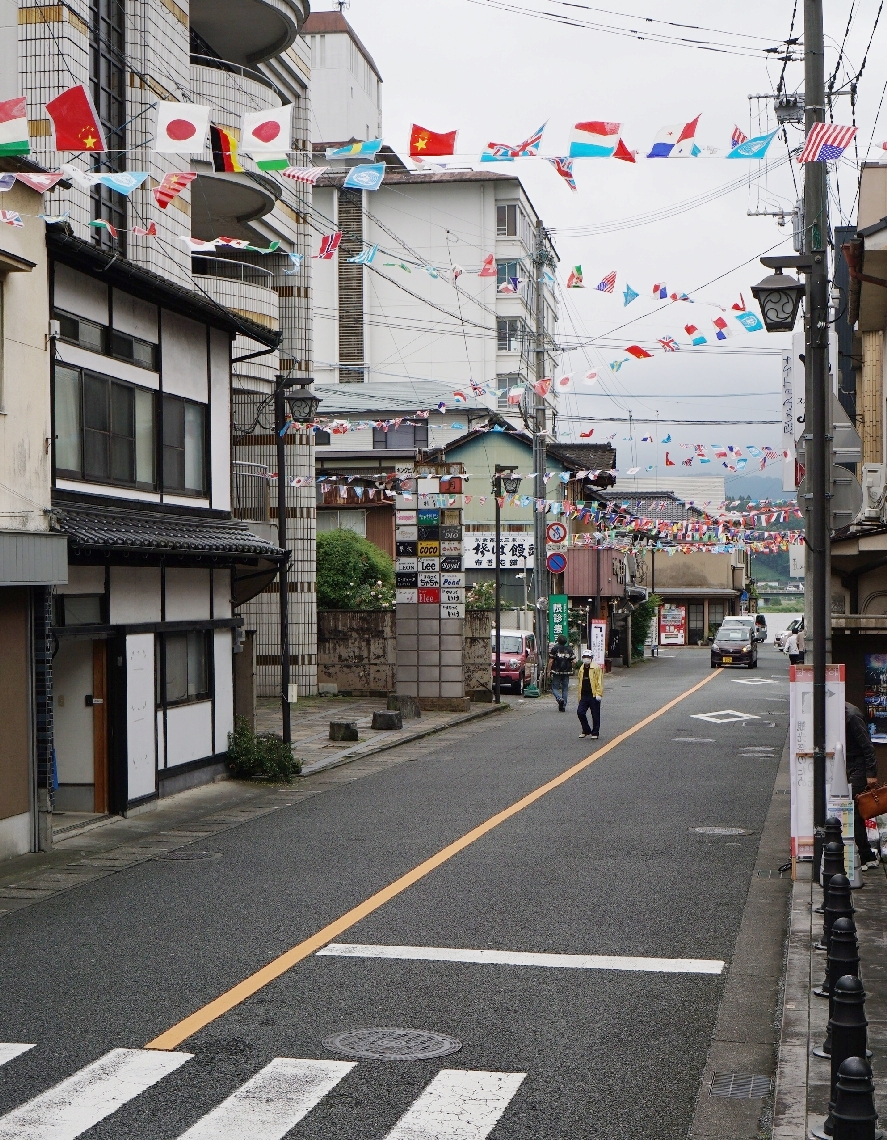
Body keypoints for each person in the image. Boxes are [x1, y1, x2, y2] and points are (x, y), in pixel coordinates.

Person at [845, 701, 881, 871]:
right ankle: (863, 854)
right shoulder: (845, 713)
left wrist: (871, 774)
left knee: (855, 810)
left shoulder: (851, 716)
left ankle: (867, 855)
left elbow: (867, 746)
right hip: (850, 764)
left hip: (857, 766)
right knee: (852, 809)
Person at [576, 649, 604, 739]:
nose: (586, 659)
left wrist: (599, 693)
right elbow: (580, 681)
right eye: (584, 657)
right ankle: (586, 730)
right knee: (580, 712)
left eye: (588, 657)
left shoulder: (596, 667)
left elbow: (600, 681)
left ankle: (595, 732)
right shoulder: (581, 668)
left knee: (595, 714)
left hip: (593, 694)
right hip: (584, 694)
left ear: (591, 658)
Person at [548, 634, 575, 712]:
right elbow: (574, 661)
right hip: (567, 672)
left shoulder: (555, 649)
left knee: (554, 687)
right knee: (565, 688)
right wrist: (570, 666)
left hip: (557, 671)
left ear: (558, 641)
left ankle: (559, 698)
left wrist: (549, 671)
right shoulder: (569, 650)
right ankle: (563, 705)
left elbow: (551, 661)